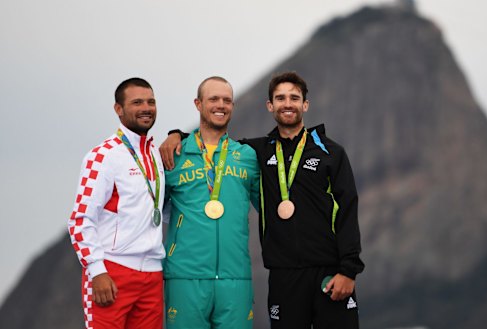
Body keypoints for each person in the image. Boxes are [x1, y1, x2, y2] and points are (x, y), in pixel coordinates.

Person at [161, 72, 364, 329]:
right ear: (270, 106)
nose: (287, 103)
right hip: (283, 275)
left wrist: (348, 269)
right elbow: (211, 141)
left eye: (294, 97)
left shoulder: (330, 152)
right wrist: (176, 134)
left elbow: (348, 209)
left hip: (329, 272)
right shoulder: (256, 151)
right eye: (280, 98)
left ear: (305, 104)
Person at [68, 77, 165, 329]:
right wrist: (96, 270)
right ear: (118, 109)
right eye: (137, 102)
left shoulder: (156, 154)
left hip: (152, 274)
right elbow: (80, 220)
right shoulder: (103, 155)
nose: (146, 108)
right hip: (112, 271)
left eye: (150, 102)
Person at [162, 76, 260, 329]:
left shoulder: (247, 156)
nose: (221, 105)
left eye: (227, 100)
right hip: (185, 276)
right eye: (213, 99)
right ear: (198, 103)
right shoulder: (174, 154)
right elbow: (147, 212)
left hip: (235, 277)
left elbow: (270, 207)